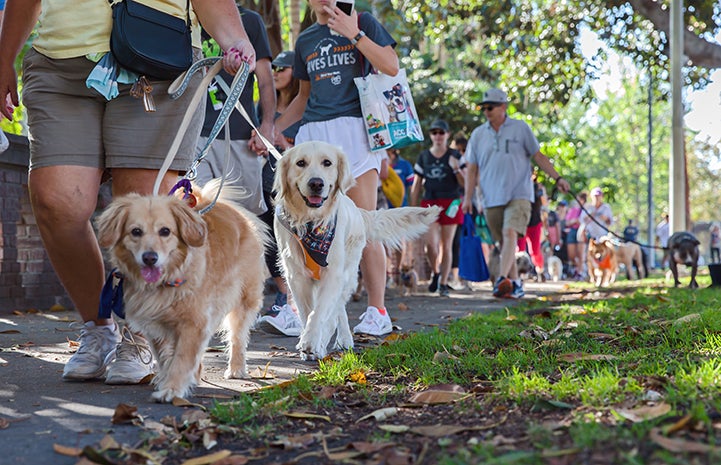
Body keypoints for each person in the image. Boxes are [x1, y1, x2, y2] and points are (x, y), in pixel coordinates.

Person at [0, 0, 255, 383]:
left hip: (157, 56)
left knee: (145, 212)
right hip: (61, 60)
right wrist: (5, 58)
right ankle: (99, 328)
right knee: (58, 202)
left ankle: (141, 335)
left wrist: (234, 39)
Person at [274, 0, 399, 336]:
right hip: (315, 134)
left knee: (363, 223)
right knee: (301, 227)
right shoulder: (306, 40)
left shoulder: (364, 21)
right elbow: (303, 97)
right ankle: (301, 309)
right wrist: (274, 128)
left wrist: (353, 33)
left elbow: (390, 65)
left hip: (356, 132)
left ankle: (377, 311)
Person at [461, 88, 570, 299]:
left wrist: (558, 178)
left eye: (490, 107)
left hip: (519, 193)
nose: (486, 111)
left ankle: (501, 279)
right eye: (483, 108)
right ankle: (515, 284)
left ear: (503, 107)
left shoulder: (520, 129)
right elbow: (472, 169)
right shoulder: (478, 135)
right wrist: (468, 198)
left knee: (510, 233)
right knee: (504, 243)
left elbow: (538, 156)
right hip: (491, 197)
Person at [195, 5, 274, 216]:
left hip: (238, 135)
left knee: (245, 217)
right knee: (200, 213)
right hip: (194, 136)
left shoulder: (249, 20)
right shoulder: (184, 18)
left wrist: (266, 126)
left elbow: (265, 80)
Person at [256, 50, 304, 337]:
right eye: (272, 67)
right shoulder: (261, 109)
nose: (275, 71)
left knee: (294, 241)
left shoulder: (306, 111)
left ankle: (290, 304)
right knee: (270, 242)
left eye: (283, 67)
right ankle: (286, 301)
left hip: (297, 191)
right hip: (264, 182)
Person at [409, 119, 464, 297]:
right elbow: (416, 184)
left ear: (448, 134)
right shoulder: (424, 156)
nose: (438, 136)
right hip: (430, 203)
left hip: (451, 202)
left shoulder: (455, 155)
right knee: (431, 245)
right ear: (431, 135)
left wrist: (456, 169)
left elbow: (465, 183)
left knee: (446, 245)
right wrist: (412, 208)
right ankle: (436, 271)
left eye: (442, 132)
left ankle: (443, 283)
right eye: (434, 132)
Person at [385, 148, 414, 288]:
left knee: (398, 242)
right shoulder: (379, 162)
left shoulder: (405, 165)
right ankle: (387, 273)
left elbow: (411, 187)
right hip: (383, 208)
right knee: (384, 244)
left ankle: (398, 271)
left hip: (400, 209)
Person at [517, 171, 547, 280]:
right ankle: (519, 272)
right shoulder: (518, 185)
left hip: (534, 222)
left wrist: (540, 192)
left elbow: (544, 204)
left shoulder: (537, 187)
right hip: (521, 221)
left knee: (534, 250)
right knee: (519, 248)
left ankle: (540, 269)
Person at [564, 193, 586, 279]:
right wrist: (574, 221)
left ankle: (580, 272)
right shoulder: (573, 210)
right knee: (572, 255)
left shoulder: (585, 209)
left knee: (580, 253)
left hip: (582, 230)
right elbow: (567, 222)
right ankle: (576, 268)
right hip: (572, 231)